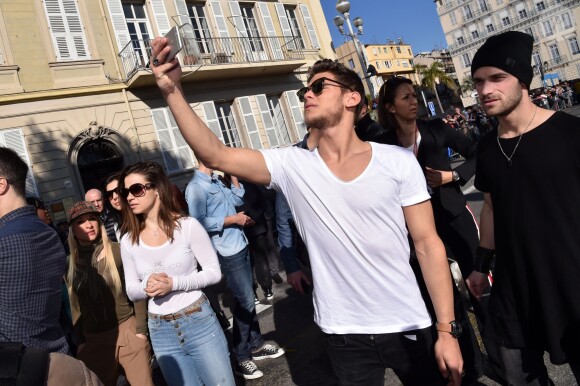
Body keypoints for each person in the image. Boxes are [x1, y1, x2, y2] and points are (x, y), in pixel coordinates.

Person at [150, 34, 463, 385]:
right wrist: (172, 91)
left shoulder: (398, 161)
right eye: (305, 92)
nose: (307, 95)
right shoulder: (291, 165)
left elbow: (427, 245)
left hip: (408, 322)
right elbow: (216, 155)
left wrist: (447, 331)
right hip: (343, 333)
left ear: (352, 98)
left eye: (319, 87)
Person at [467, 30, 580, 384]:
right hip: (516, 287)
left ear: (523, 82)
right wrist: (480, 266)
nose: (485, 90)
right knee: (518, 376)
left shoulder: (569, 133)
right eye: (479, 81)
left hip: (571, 282)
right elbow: (490, 208)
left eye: (497, 78)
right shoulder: (486, 149)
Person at [373, 76, 483, 383]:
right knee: (447, 303)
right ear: (390, 107)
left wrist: (453, 176)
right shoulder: (383, 145)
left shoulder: (436, 128)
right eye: (405, 97)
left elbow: (477, 153)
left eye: (414, 95)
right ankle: (468, 368)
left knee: (478, 289)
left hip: (455, 220)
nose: (413, 100)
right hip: (418, 234)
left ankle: (502, 357)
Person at [119, 161, 235, 386]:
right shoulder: (128, 240)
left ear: (156, 189)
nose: (129, 197)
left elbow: (213, 273)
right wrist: (146, 286)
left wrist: (174, 283)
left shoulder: (188, 227)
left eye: (136, 189)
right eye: (126, 192)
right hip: (161, 331)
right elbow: (131, 291)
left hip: (198, 320)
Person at [185, 161, 285, 380]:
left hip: (240, 243)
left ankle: (256, 345)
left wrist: (233, 177)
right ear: (202, 156)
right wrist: (233, 219)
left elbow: (237, 200)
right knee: (246, 301)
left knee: (246, 298)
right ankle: (241, 356)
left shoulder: (216, 180)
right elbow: (197, 223)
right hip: (226, 251)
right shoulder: (196, 187)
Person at [66, 201, 153, 386]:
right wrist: (81, 342)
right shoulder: (69, 264)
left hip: (128, 334)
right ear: (72, 229)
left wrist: (140, 332)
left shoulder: (117, 251)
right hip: (93, 343)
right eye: (80, 222)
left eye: (92, 219)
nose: (88, 225)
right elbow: (74, 305)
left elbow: (137, 291)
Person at [0, 147, 69, 354]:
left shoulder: (5, 240)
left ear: (1, 185)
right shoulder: (49, 234)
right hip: (56, 355)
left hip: (18, 367)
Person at [103, 172, 123, 241]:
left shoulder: (144, 217)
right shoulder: (116, 224)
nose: (114, 197)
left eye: (117, 190)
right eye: (109, 194)